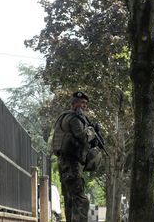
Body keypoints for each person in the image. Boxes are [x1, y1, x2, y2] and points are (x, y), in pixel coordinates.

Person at [52, 91, 96, 222]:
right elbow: (83, 137)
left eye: (86, 103)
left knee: (70, 200)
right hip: (72, 164)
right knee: (81, 201)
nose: (84, 106)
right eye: (81, 102)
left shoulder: (63, 116)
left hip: (64, 163)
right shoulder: (74, 119)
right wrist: (92, 132)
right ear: (74, 103)